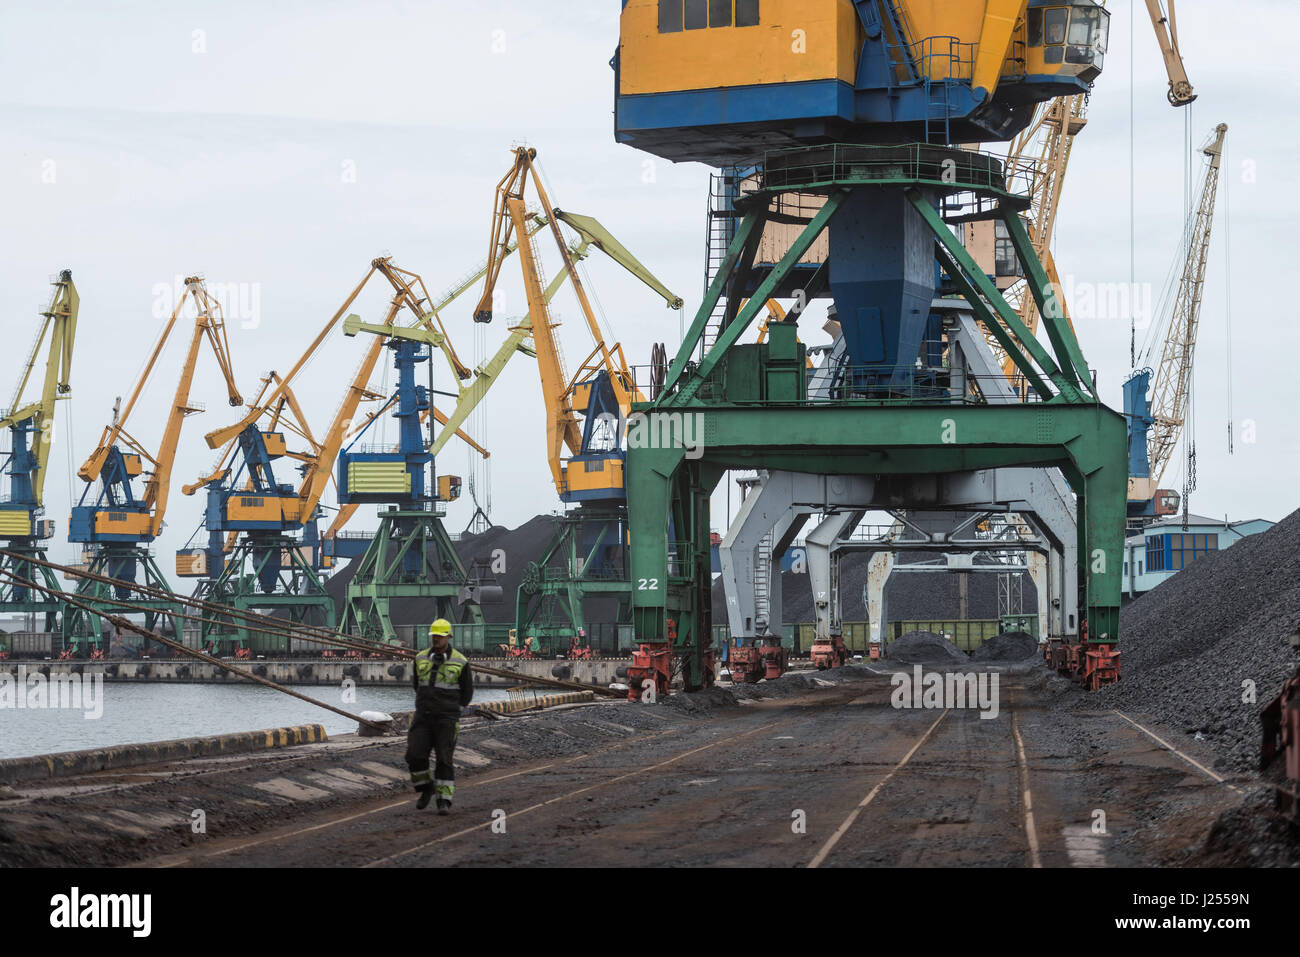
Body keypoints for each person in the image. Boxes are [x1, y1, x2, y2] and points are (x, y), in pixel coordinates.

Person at [405, 618, 473, 814]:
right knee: (414, 755)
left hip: (447, 719)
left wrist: (452, 710)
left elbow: (467, 693)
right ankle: (426, 788)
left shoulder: (460, 661)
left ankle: (444, 801)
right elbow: (417, 685)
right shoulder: (420, 658)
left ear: (448, 637)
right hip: (423, 717)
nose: (436, 639)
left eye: (440, 636)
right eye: (434, 635)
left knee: (444, 760)